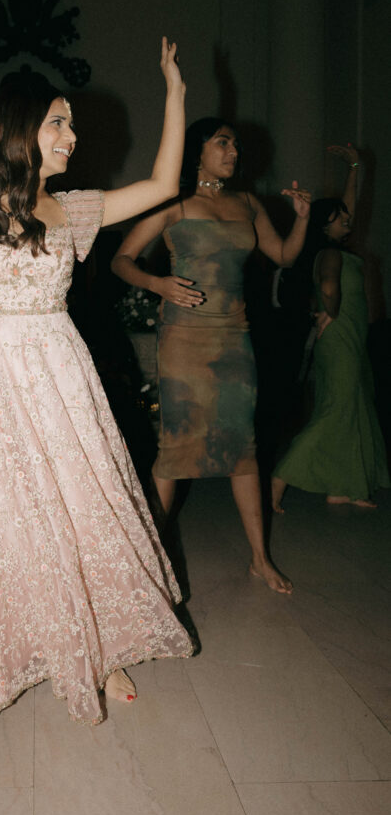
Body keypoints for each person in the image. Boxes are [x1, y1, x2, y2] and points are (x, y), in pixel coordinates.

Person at [0, 39, 193, 725]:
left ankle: (101, 645)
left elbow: (164, 185)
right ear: (19, 129)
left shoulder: (73, 209)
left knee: (83, 501)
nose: (71, 136)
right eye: (58, 122)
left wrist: (173, 91)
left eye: (71, 124)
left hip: (59, 368)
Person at [111, 117, 311, 595]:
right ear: (197, 151)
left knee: (243, 446)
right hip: (183, 339)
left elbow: (283, 255)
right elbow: (121, 260)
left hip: (233, 339)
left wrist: (302, 218)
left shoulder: (247, 203)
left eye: (236, 144)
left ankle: (261, 559)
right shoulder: (175, 204)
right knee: (176, 447)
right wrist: (157, 282)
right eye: (222, 142)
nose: (233, 151)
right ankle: (152, 566)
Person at [271, 145, 389, 511]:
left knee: (351, 406)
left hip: (348, 338)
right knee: (337, 410)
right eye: (339, 217)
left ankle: (344, 487)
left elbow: (348, 208)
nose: (347, 220)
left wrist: (354, 167)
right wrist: (332, 312)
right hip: (339, 338)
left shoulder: (336, 248)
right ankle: (278, 479)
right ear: (325, 224)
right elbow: (327, 287)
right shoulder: (332, 254)